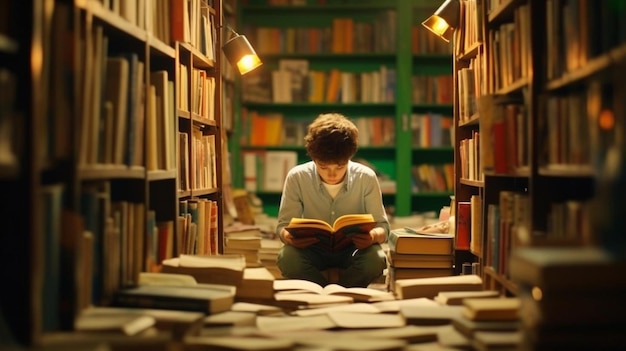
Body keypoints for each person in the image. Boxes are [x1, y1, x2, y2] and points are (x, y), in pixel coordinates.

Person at [276, 112, 390, 287]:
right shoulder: (297, 177)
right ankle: (322, 290)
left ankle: (342, 291)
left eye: (340, 166)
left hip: (353, 249)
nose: (332, 174)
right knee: (287, 258)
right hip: (312, 249)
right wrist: (289, 237)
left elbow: (383, 227)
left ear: (349, 158)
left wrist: (372, 236)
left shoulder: (366, 177)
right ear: (313, 159)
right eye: (323, 167)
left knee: (376, 259)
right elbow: (283, 225)